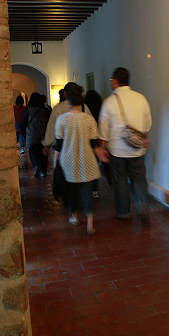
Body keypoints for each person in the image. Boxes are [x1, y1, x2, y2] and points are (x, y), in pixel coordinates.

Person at [98, 67, 152, 226]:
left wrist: (102, 148)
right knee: (139, 178)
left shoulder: (109, 102)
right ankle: (141, 204)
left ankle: (123, 213)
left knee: (120, 180)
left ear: (115, 81)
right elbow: (147, 124)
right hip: (137, 148)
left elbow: (103, 129)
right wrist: (144, 138)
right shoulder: (141, 98)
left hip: (117, 150)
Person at [54, 83, 108, 236]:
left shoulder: (62, 119)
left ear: (68, 101)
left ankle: (74, 217)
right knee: (87, 192)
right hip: (87, 161)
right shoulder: (89, 120)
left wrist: (55, 162)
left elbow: (58, 145)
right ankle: (90, 223)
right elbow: (94, 144)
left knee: (72, 191)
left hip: (68, 161)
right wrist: (101, 155)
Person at [42, 82, 92, 156]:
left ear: (65, 93)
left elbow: (52, 128)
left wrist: (47, 144)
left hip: (65, 148)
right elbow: (91, 126)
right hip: (82, 147)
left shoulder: (58, 108)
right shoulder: (83, 106)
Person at [20, 92, 50, 177]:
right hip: (43, 134)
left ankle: (36, 166)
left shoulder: (28, 110)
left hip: (32, 134)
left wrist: (25, 134)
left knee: (32, 151)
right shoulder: (45, 110)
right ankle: (43, 171)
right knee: (43, 152)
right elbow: (50, 122)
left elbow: (23, 123)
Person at [84, 89, 104, 198]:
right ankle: (95, 190)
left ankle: (87, 187)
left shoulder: (85, 110)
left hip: (88, 139)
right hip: (98, 139)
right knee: (95, 164)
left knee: (87, 164)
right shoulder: (101, 108)